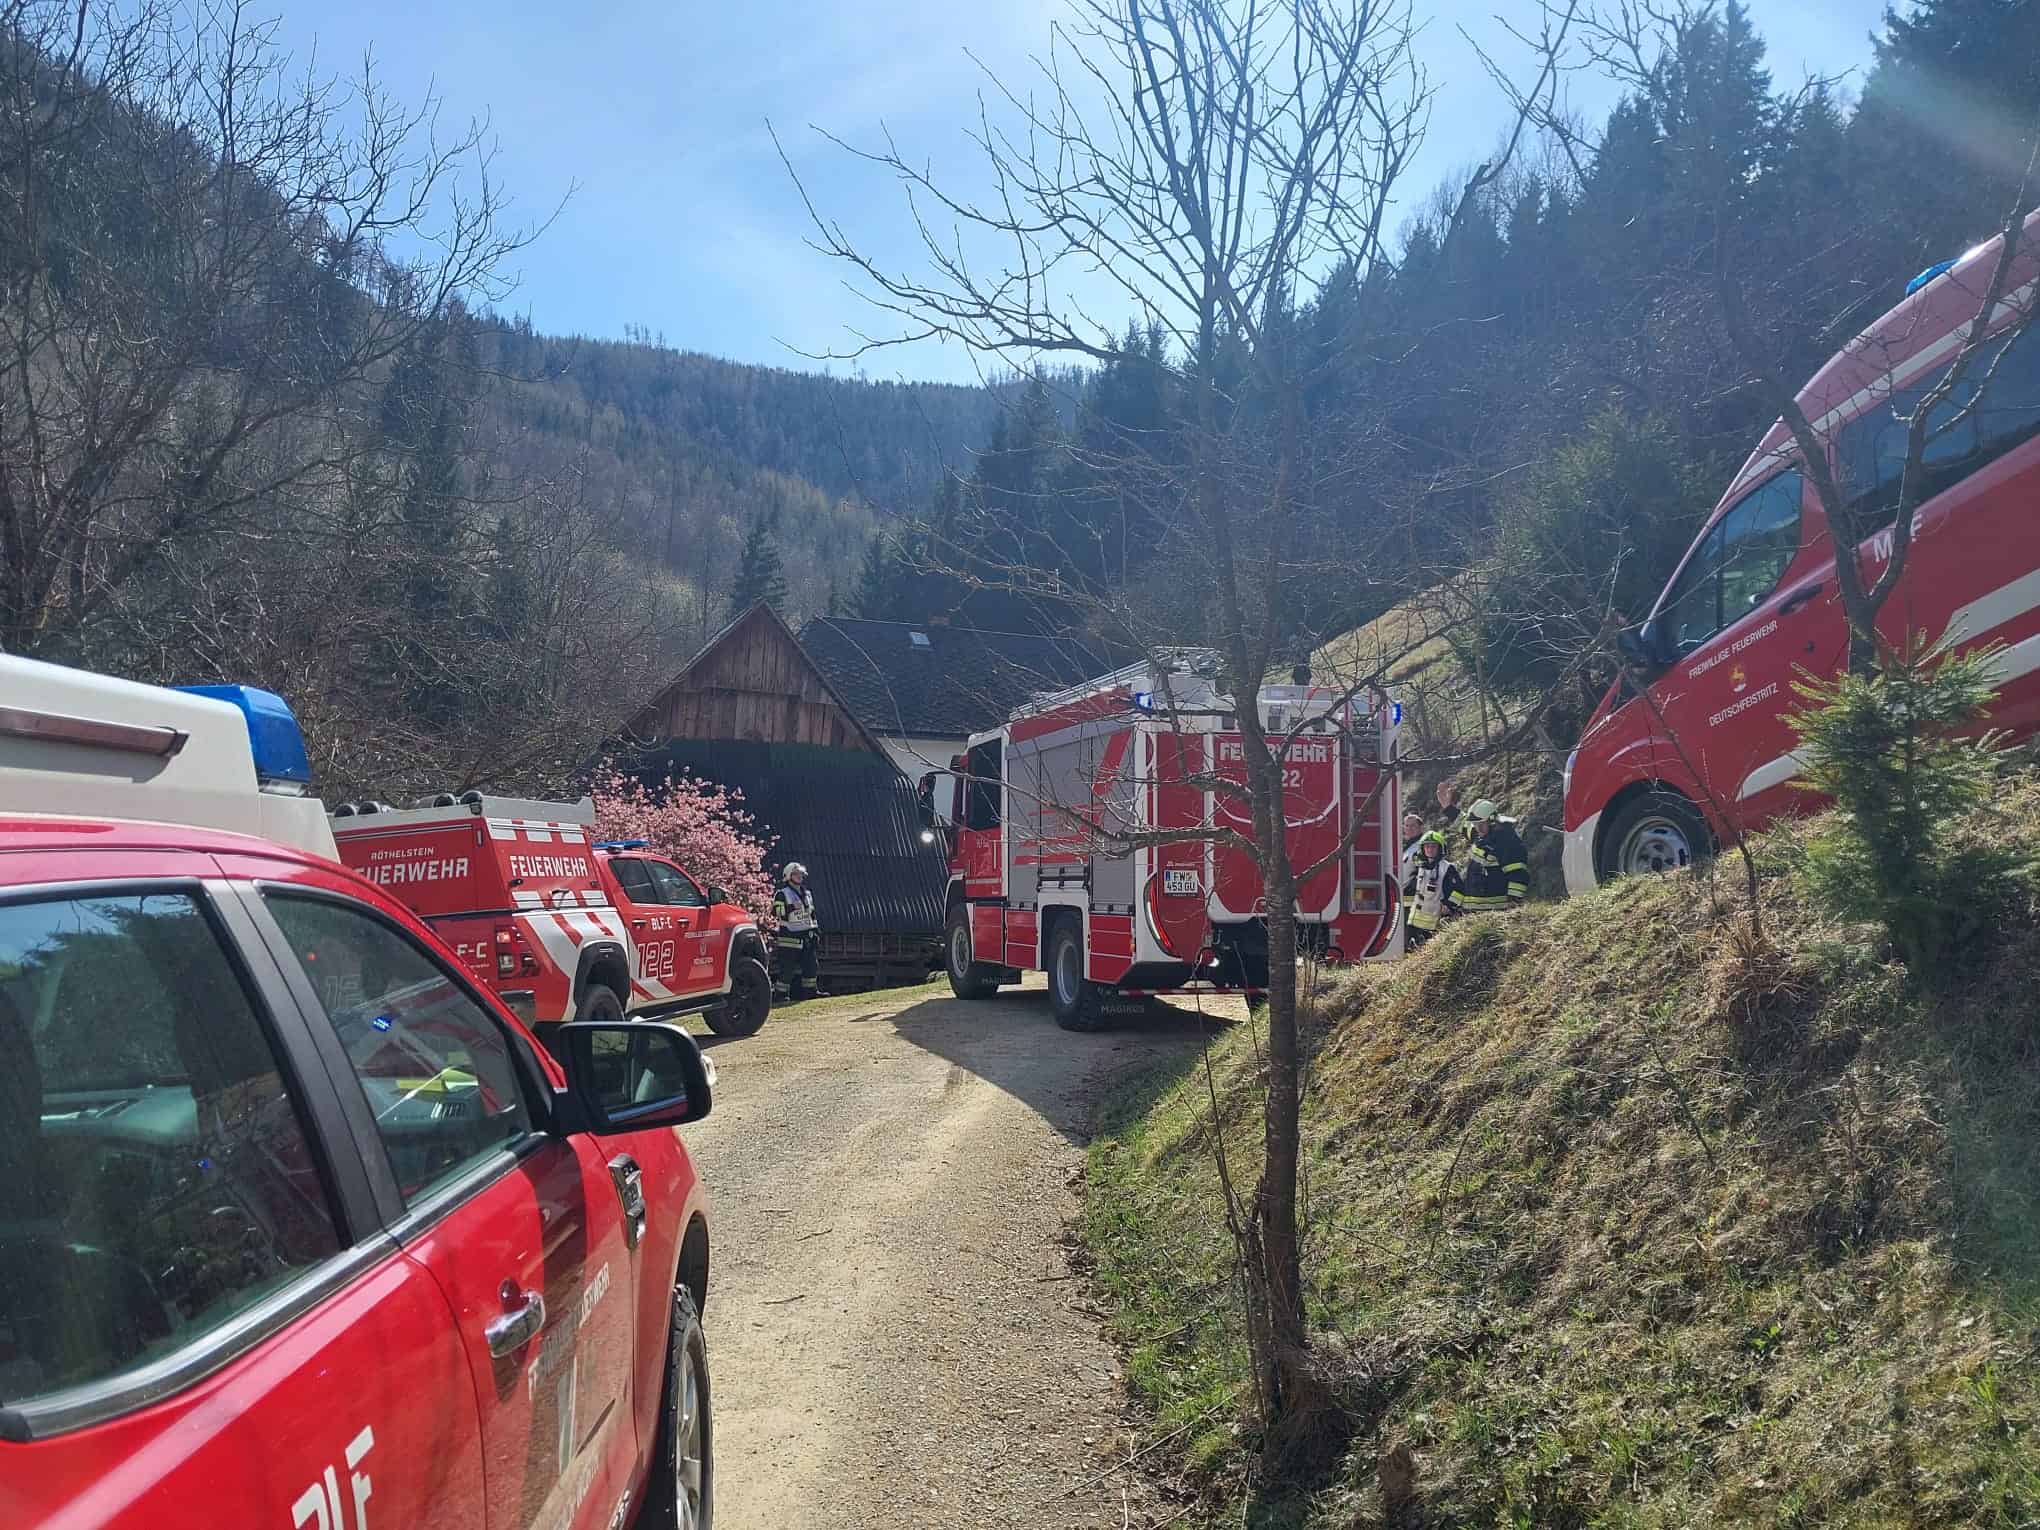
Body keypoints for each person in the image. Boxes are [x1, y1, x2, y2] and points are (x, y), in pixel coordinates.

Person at [1462, 798, 1530, 910]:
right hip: (1475, 909)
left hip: (1494, 909)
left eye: (1481, 824)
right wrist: (1448, 808)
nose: (1478, 828)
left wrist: (1513, 902)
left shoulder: (1507, 842)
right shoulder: (1482, 836)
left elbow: (1518, 874)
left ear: (1492, 821)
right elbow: (1464, 826)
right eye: (1475, 824)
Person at [1401, 831, 1462, 946]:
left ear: (1440, 848)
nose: (1429, 849)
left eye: (1433, 846)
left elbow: (1459, 891)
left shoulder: (1447, 868)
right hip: (1415, 921)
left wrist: (1449, 906)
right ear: (1422, 849)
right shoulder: (1419, 868)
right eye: (1427, 846)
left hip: (1437, 921)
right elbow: (1411, 891)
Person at [772, 861, 821, 1001]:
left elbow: (811, 914)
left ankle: (810, 993)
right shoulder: (782, 894)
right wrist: (792, 907)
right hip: (790, 938)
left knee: (811, 966)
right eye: (796, 874)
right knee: (787, 969)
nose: (800, 876)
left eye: (801, 874)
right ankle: (781, 995)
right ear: (789, 876)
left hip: (807, 936)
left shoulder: (807, 894)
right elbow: (777, 912)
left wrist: (816, 931)